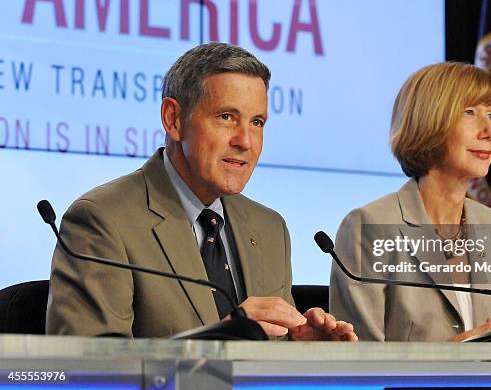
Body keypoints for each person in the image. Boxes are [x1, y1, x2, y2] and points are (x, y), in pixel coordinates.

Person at [46, 42, 356, 341]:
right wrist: (218, 338)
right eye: (226, 117)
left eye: (257, 122)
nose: (245, 141)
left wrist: (302, 350)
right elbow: (89, 370)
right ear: (174, 119)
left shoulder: (269, 228)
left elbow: (266, 358)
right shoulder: (103, 220)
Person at [329, 62, 491, 342]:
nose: (489, 131)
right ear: (429, 121)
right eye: (470, 113)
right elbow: (360, 360)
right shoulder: (369, 225)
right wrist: (462, 349)